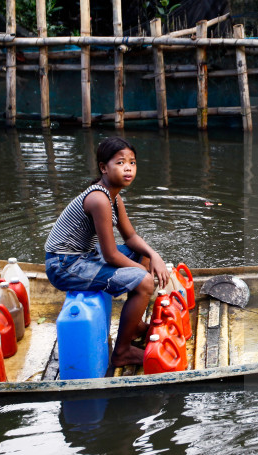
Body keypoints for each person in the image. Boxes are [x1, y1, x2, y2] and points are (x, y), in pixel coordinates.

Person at [45, 137, 170, 369]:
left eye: (132, 162)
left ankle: (133, 329)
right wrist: (144, 274)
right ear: (104, 167)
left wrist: (155, 256)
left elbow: (131, 237)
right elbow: (111, 255)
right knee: (143, 281)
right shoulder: (98, 199)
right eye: (120, 162)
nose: (128, 168)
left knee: (140, 254)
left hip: (86, 256)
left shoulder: (114, 197)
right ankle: (121, 353)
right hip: (64, 265)